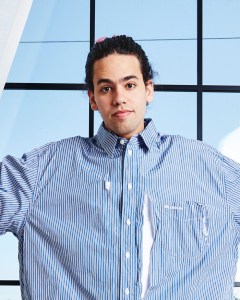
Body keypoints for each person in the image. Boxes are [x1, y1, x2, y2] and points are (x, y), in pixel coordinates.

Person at [0, 35, 240, 300]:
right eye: (106, 88)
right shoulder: (41, 171)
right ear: (93, 99)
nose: (119, 98)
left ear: (148, 89)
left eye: (130, 84)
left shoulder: (212, 170)